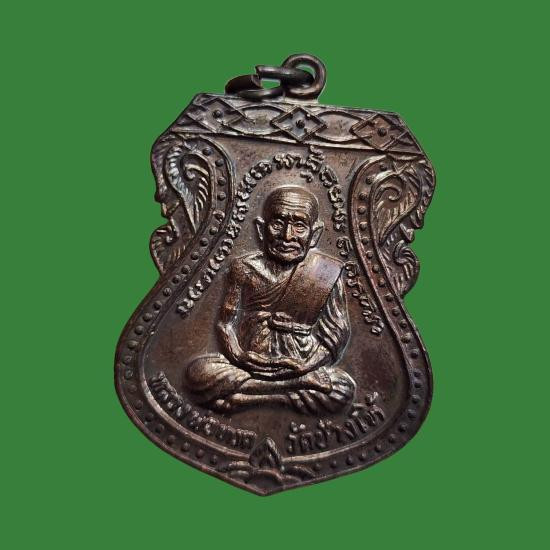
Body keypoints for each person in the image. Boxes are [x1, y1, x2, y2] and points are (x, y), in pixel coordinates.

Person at [183, 186, 355, 414]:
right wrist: (239, 356)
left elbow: (336, 336)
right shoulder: (243, 268)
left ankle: (248, 398)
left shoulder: (325, 272)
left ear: (314, 234)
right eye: (278, 223)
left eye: (299, 226)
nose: (287, 236)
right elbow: (225, 323)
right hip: (249, 363)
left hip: (301, 364)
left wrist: (306, 367)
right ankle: (289, 389)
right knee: (198, 373)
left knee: (342, 388)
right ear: (261, 229)